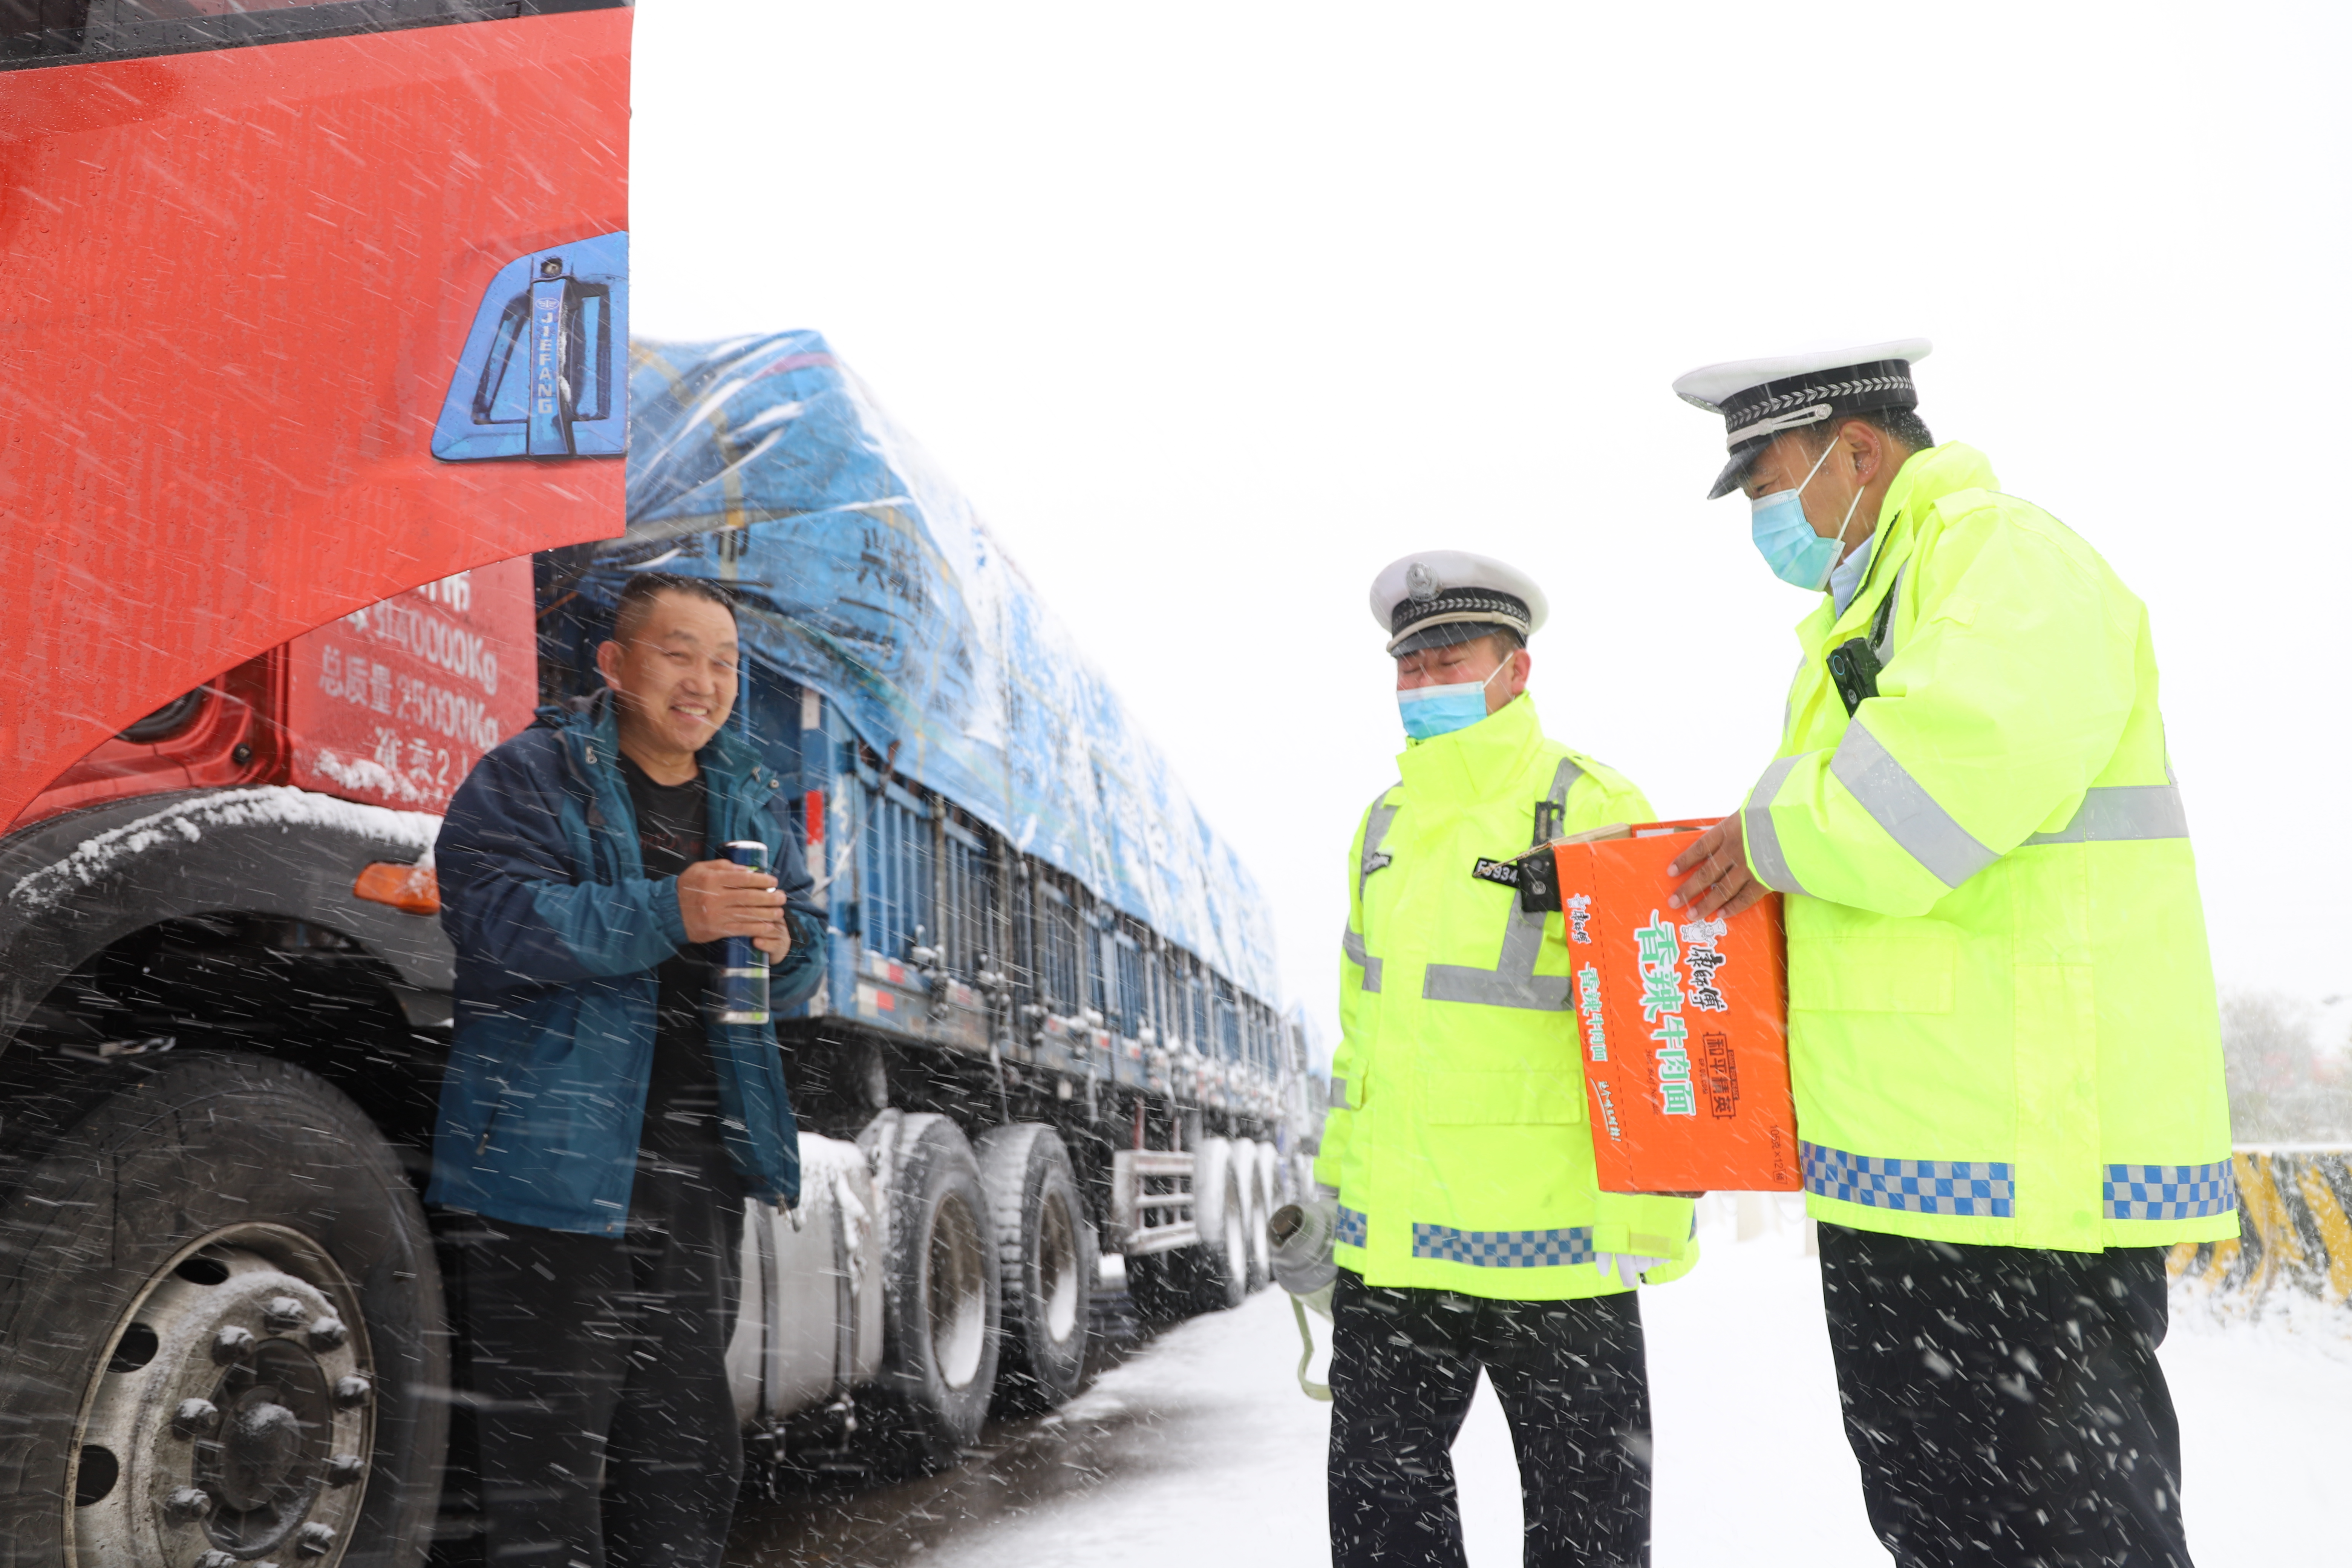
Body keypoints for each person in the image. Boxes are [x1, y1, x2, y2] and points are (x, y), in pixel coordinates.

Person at [1662, 341, 2234, 1568]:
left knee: (2071, 1537)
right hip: (1911, 1169)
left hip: (2021, 1172)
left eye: (1768, 483)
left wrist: (1767, 831)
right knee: (1946, 1529)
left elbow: (1934, 789)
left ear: (1857, 450)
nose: (1763, 518)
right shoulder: (1869, 609)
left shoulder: (2002, 559)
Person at [426, 571, 825, 1568]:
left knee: (683, 1446)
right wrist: (668, 911)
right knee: (543, 1454)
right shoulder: (532, 774)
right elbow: (494, 924)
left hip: (698, 1168)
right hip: (547, 1168)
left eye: (726, 662)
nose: (706, 681)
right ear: (614, 663)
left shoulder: (747, 794)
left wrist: (783, 949)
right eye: (680, 652)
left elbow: (806, 957)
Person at [1315, 551, 1699, 1568]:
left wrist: (1652, 1210)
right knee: (1380, 1529)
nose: (1427, 682)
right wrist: (1332, 1206)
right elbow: (1367, 1038)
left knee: (1589, 1530)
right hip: (1394, 1257)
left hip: (1559, 1251)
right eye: (1410, 664)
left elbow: (1660, 1022)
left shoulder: (1590, 804)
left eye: (1451, 657)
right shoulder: (1382, 827)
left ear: (1516, 671)